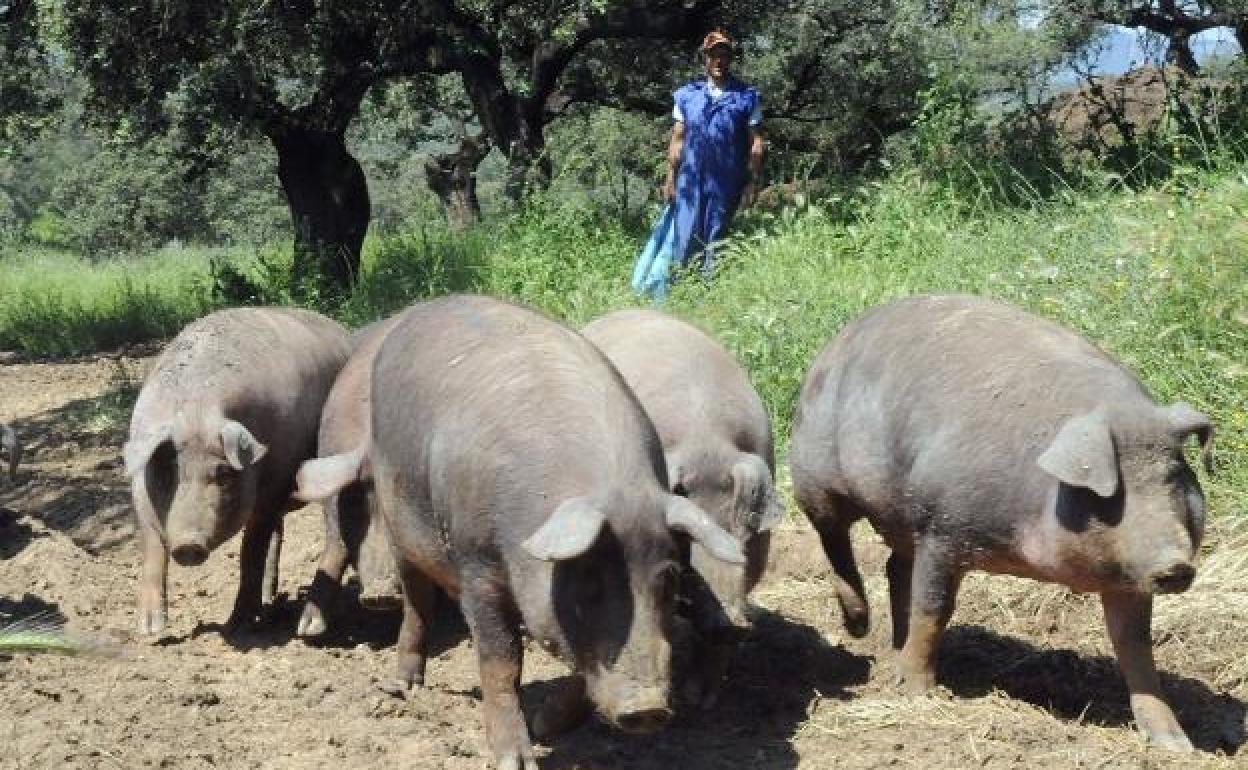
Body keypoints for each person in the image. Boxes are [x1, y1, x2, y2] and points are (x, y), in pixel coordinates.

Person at [662, 29, 764, 279]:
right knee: (685, 235)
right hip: (690, 179)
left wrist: (753, 182)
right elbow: (677, 142)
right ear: (705, 58)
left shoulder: (746, 97)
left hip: (726, 181)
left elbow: (757, 144)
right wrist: (670, 180)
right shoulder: (687, 96)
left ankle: (710, 293)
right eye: (714, 55)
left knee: (716, 239)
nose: (719, 61)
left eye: (725, 55)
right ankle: (680, 289)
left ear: (731, 59)